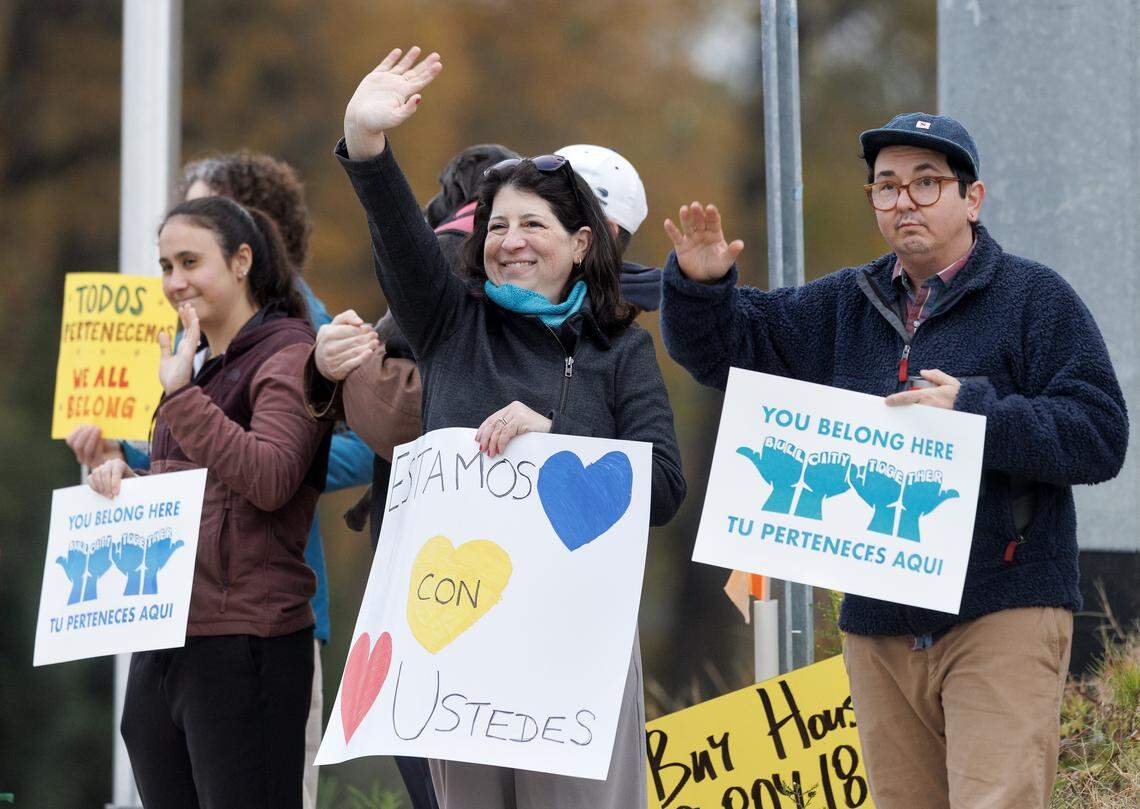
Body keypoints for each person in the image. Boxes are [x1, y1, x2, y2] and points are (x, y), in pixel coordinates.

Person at [659, 112, 1128, 809]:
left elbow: (1099, 432)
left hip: (1001, 607)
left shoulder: (1036, 300)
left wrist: (975, 412)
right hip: (878, 622)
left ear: (973, 198)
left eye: (926, 182)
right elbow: (732, 348)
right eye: (886, 186)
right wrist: (700, 289)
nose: (903, 199)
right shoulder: (844, 302)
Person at [335, 46, 686, 808]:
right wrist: (367, 146)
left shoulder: (620, 348)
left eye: (533, 223)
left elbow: (662, 487)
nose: (511, 240)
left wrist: (557, 438)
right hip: (464, 646)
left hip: (576, 653)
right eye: (497, 226)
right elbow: (399, 236)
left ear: (583, 242)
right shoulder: (450, 322)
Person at [66, 151, 374, 809]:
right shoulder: (197, 362)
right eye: (166, 266)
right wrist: (120, 470)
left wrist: (180, 400)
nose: (175, 282)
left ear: (242, 260)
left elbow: (268, 477)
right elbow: (198, 489)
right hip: (169, 640)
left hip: (250, 644)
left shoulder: (290, 352)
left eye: (190, 263)